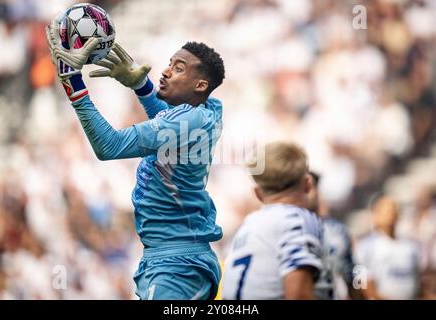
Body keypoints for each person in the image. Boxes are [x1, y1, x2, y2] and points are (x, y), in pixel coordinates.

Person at [45, 17, 225, 300]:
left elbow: (110, 146)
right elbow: (168, 123)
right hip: (177, 257)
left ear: (201, 84)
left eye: (179, 69)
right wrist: (142, 86)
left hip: (175, 267)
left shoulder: (187, 121)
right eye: (170, 63)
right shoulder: (209, 109)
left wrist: (72, 81)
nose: (165, 72)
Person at [221, 142, 323, 299]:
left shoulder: (248, 224)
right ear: (308, 184)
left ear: (257, 193)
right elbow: (299, 295)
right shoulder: (298, 220)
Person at [308, 172, 364, 300]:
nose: (305, 192)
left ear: (317, 191)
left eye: (309, 187)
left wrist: (361, 295)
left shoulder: (337, 231)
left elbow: (353, 272)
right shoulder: (284, 231)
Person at [355, 194, 420, 299]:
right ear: (375, 215)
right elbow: (360, 284)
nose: (392, 212)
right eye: (386, 210)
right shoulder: (365, 247)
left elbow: (417, 280)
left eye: (394, 208)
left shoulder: (410, 246)